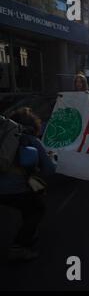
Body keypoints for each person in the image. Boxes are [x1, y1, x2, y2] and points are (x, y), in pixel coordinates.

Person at [0, 108, 56, 261]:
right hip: (12, 189)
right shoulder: (30, 140)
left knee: (28, 205)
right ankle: (19, 247)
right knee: (37, 209)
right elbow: (49, 170)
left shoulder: (4, 136)